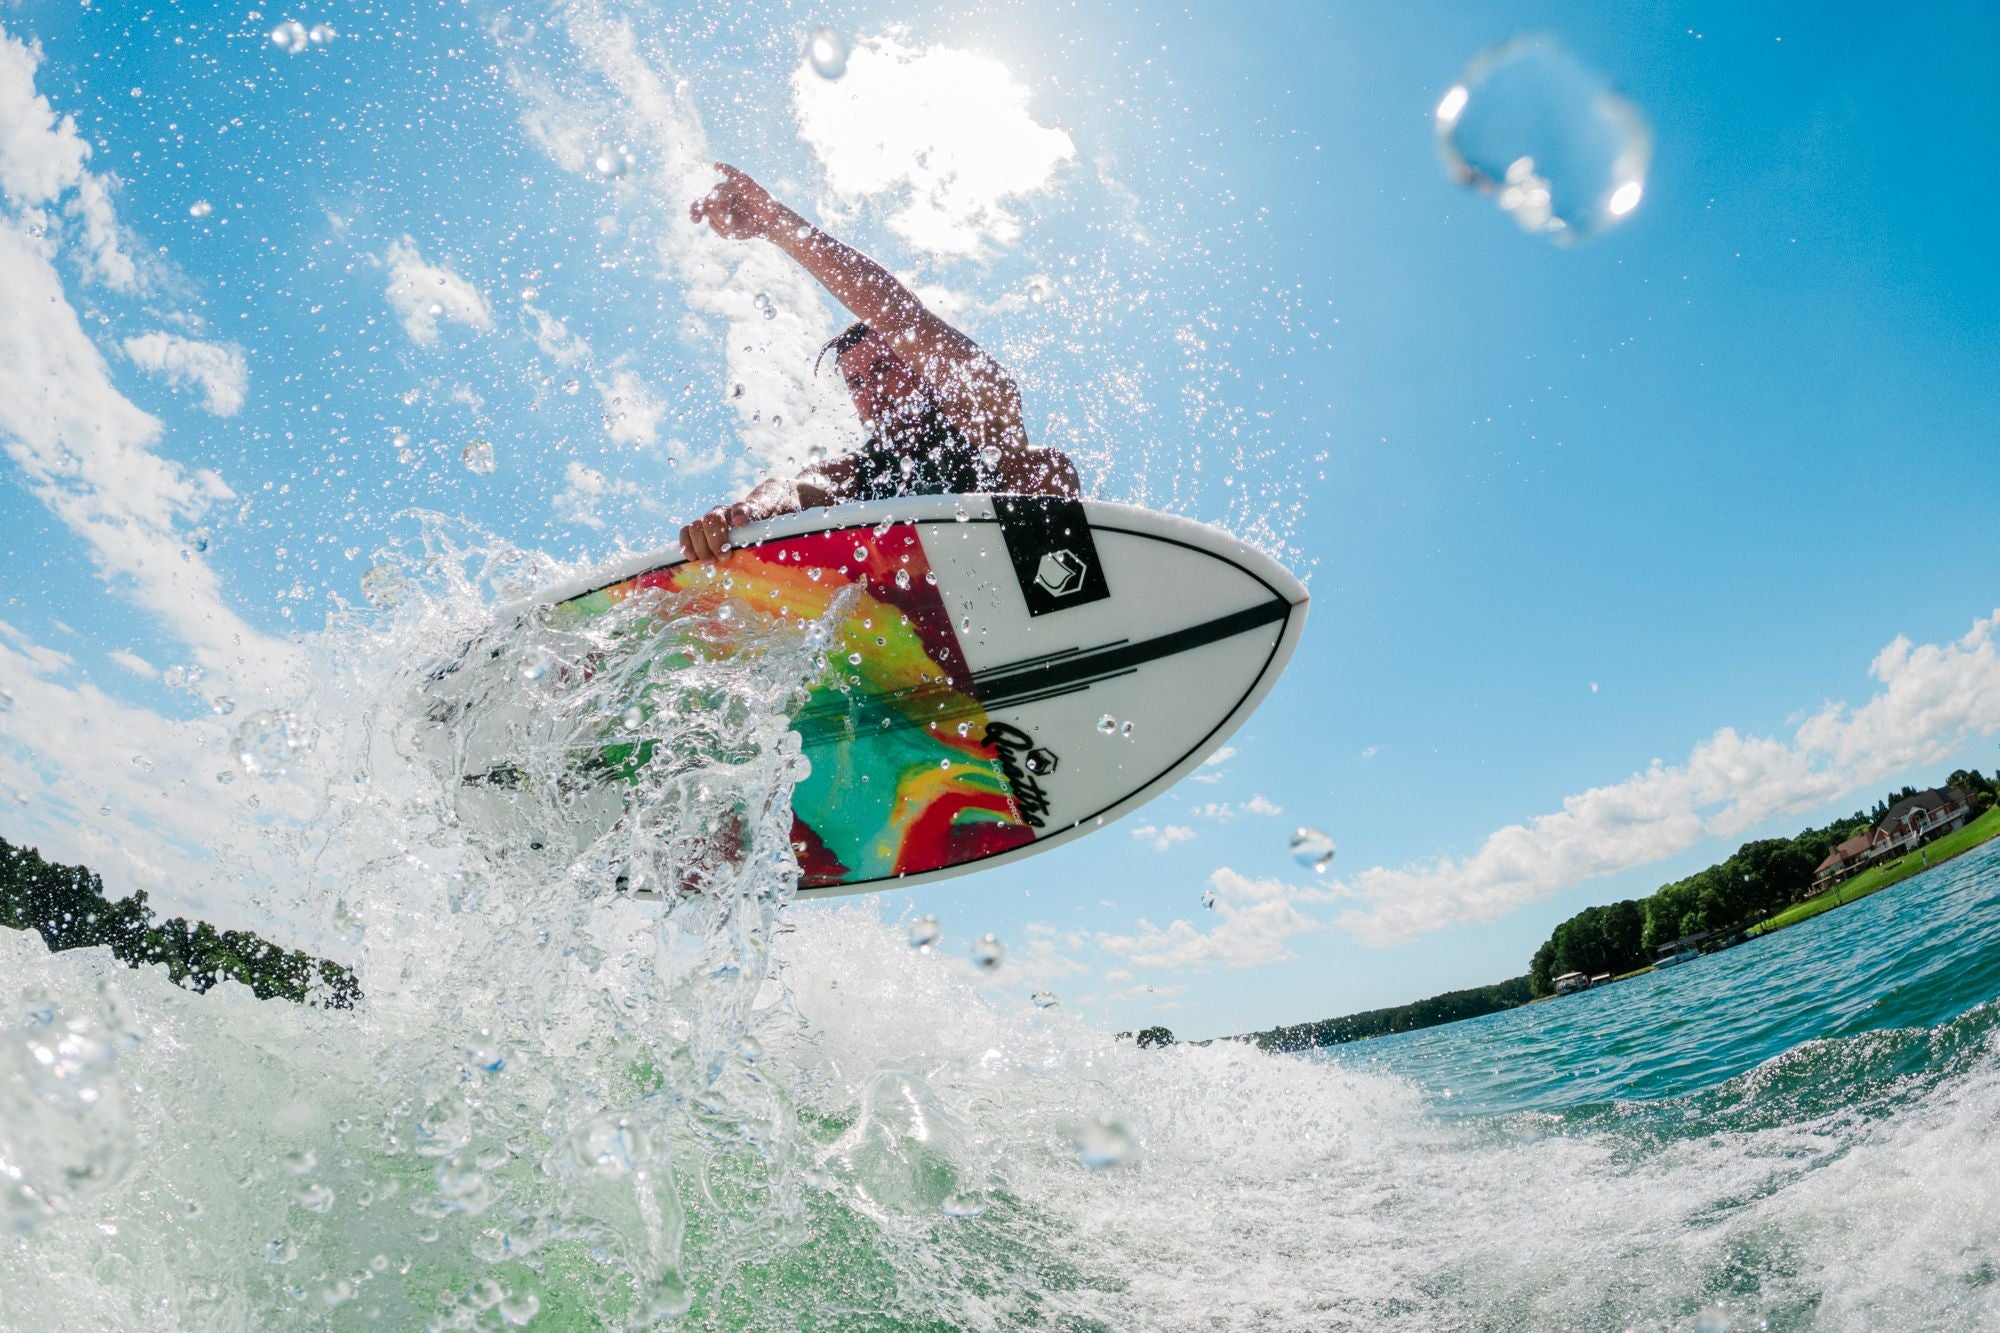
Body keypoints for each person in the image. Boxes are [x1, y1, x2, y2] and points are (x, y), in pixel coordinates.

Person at [680, 163, 1080, 562]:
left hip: (1031, 573)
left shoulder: (984, 412)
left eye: (883, 371)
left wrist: (775, 222)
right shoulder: (862, 473)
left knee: (1045, 464)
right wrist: (746, 514)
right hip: (924, 596)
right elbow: (796, 488)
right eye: (855, 384)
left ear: (920, 368)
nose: (870, 392)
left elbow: (898, 317)